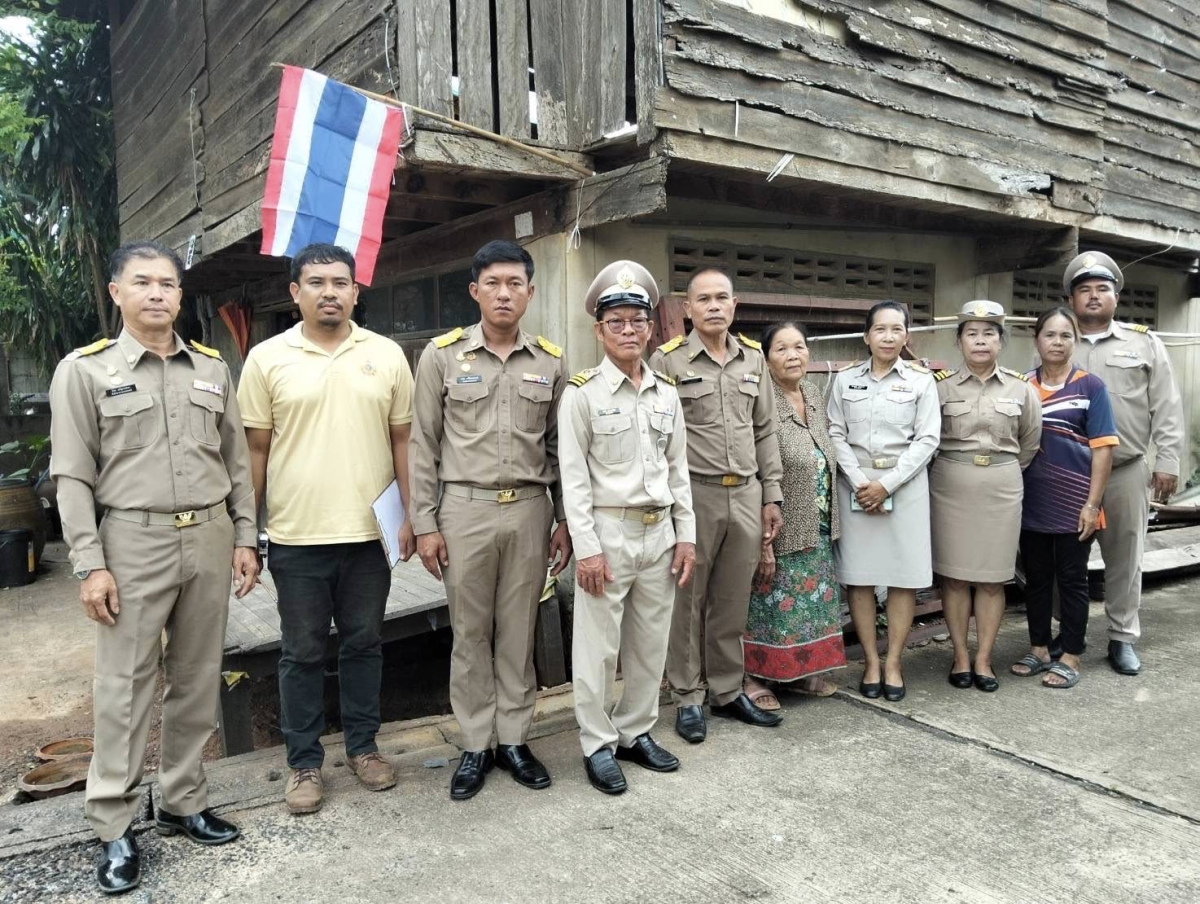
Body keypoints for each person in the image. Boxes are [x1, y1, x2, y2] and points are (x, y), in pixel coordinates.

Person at [50, 240, 260, 895]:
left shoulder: (209, 367)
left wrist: (245, 538)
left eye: (167, 284)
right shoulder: (83, 372)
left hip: (208, 535)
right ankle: (114, 821)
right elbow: (72, 477)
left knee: (197, 680)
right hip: (131, 544)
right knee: (125, 687)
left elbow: (235, 466)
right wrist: (91, 565)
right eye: (142, 283)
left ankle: (181, 799)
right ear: (118, 293)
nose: (157, 295)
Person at [237, 243, 414, 814]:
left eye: (341, 282)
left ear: (357, 291)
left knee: (364, 645)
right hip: (296, 537)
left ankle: (364, 748)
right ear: (295, 292)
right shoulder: (267, 359)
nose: (330, 292)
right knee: (301, 652)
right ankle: (304, 764)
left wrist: (413, 515)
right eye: (316, 282)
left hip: (369, 539)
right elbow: (254, 452)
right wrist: (247, 535)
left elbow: (403, 441)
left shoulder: (385, 355)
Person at [409, 240, 572, 801]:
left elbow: (558, 449)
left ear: (529, 291)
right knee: (471, 633)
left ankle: (515, 740)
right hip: (465, 510)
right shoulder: (442, 356)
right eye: (493, 283)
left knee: (519, 629)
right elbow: (423, 444)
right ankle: (476, 743)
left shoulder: (550, 360)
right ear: (475, 291)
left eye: (515, 283)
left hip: (530, 510)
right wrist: (425, 523)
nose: (505, 293)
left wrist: (566, 521)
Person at [558, 260, 696, 795]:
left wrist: (686, 536)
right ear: (599, 329)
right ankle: (597, 743)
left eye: (638, 321)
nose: (628, 331)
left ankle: (637, 732)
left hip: (659, 534)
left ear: (651, 327)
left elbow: (678, 471)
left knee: (649, 644)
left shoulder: (666, 393)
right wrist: (587, 550)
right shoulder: (582, 394)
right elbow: (573, 480)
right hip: (608, 536)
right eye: (616, 322)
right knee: (598, 648)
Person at [648, 267, 784, 744]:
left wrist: (772, 495)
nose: (712, 306)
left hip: (746, 493)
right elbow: (657, 440)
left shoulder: (752, 360)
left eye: (721, 297)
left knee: (732, 597)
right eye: (702, 299)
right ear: (687, 309)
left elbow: (765, 430)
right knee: (688, 599)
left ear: (734, 303)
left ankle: (727, 691)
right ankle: (687, 697)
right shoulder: (668, 363)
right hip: (694, 494)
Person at [1064, 251, 1184, 676]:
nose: (1093, 297)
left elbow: (1167, 407)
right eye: (1084, 290)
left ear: (1115, 297)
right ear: (1072, 299)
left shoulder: (1144, 343)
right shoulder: (1058, 341)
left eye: (1102, 289)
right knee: (1064, 559)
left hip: (1126, 471)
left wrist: (1168, 461)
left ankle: (1121, 638)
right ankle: (1067, 635)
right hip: (1070, 473)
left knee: (1124, 560)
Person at [827, 301, 939, 703]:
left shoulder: (922, 381)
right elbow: (834, 433)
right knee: (858, 575)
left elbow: (928, 439)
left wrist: (887, 485)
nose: (888, 337)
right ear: (866, 336)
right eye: (880, 329)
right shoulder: (844, 380)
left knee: (901, 576)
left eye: (896, 329)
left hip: (904, 487)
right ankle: (871, 660)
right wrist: (862, 482)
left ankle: (894, 661)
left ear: (907, 336)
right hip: (855, 486)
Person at [931, 300, 1042, 692]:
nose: (981, 341)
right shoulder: (939, 386)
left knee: (995, 579)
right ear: (959, 341)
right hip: (951, 485)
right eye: (972, 333)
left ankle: (984, 659)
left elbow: (1029, 442)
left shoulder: (1021, 388)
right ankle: (960, 656)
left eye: (989, 333)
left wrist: (1000, 469)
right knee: (956, 578)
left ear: (1001, 341)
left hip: (1001, 484)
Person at [1012, 307, 1117, 689]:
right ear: (1037, 340)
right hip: (1030, 502)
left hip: (1076, 503)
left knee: (1073, 580)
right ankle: (1039, 648)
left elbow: (1104, 450)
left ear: (1075, 341)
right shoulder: (1021, 384)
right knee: (1036, 579)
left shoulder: (1091, 387)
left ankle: (1071, 654)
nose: (1057, 342)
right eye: (1050, 335)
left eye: (1065, 335)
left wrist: (1093, 504)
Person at [743, 321, 846, 708]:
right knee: (766, 606)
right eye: (781, 349)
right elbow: (756, 467)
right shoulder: (760, 398)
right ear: (766, 358)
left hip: (817, 523)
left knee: (810, 607)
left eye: (799, 347)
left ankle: (800, 675)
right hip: (778, 525)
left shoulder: (814, 394)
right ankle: (752, 677)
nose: (792, 355)